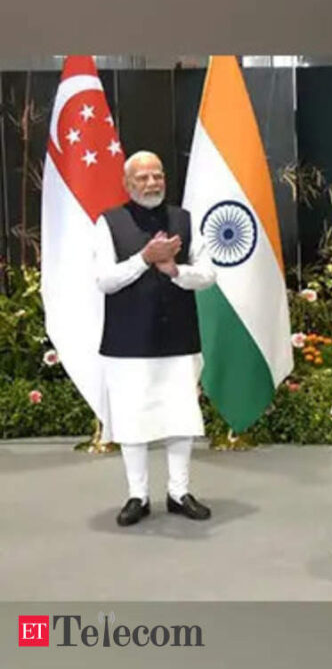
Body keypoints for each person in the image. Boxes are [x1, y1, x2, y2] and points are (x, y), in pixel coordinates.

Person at [92, 150, 216, 527]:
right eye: (143, 178)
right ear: (128, 184)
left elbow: (208, 275)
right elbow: (104, 280)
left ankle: (179, 492)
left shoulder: (184, 220)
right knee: (133, 419)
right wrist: (144, 259)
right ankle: (138, 495)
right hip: (127, 341)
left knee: (180, 416)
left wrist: (174, 269)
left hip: (178, 336)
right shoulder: (109, 223)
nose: (152, 183)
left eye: (157, 176)